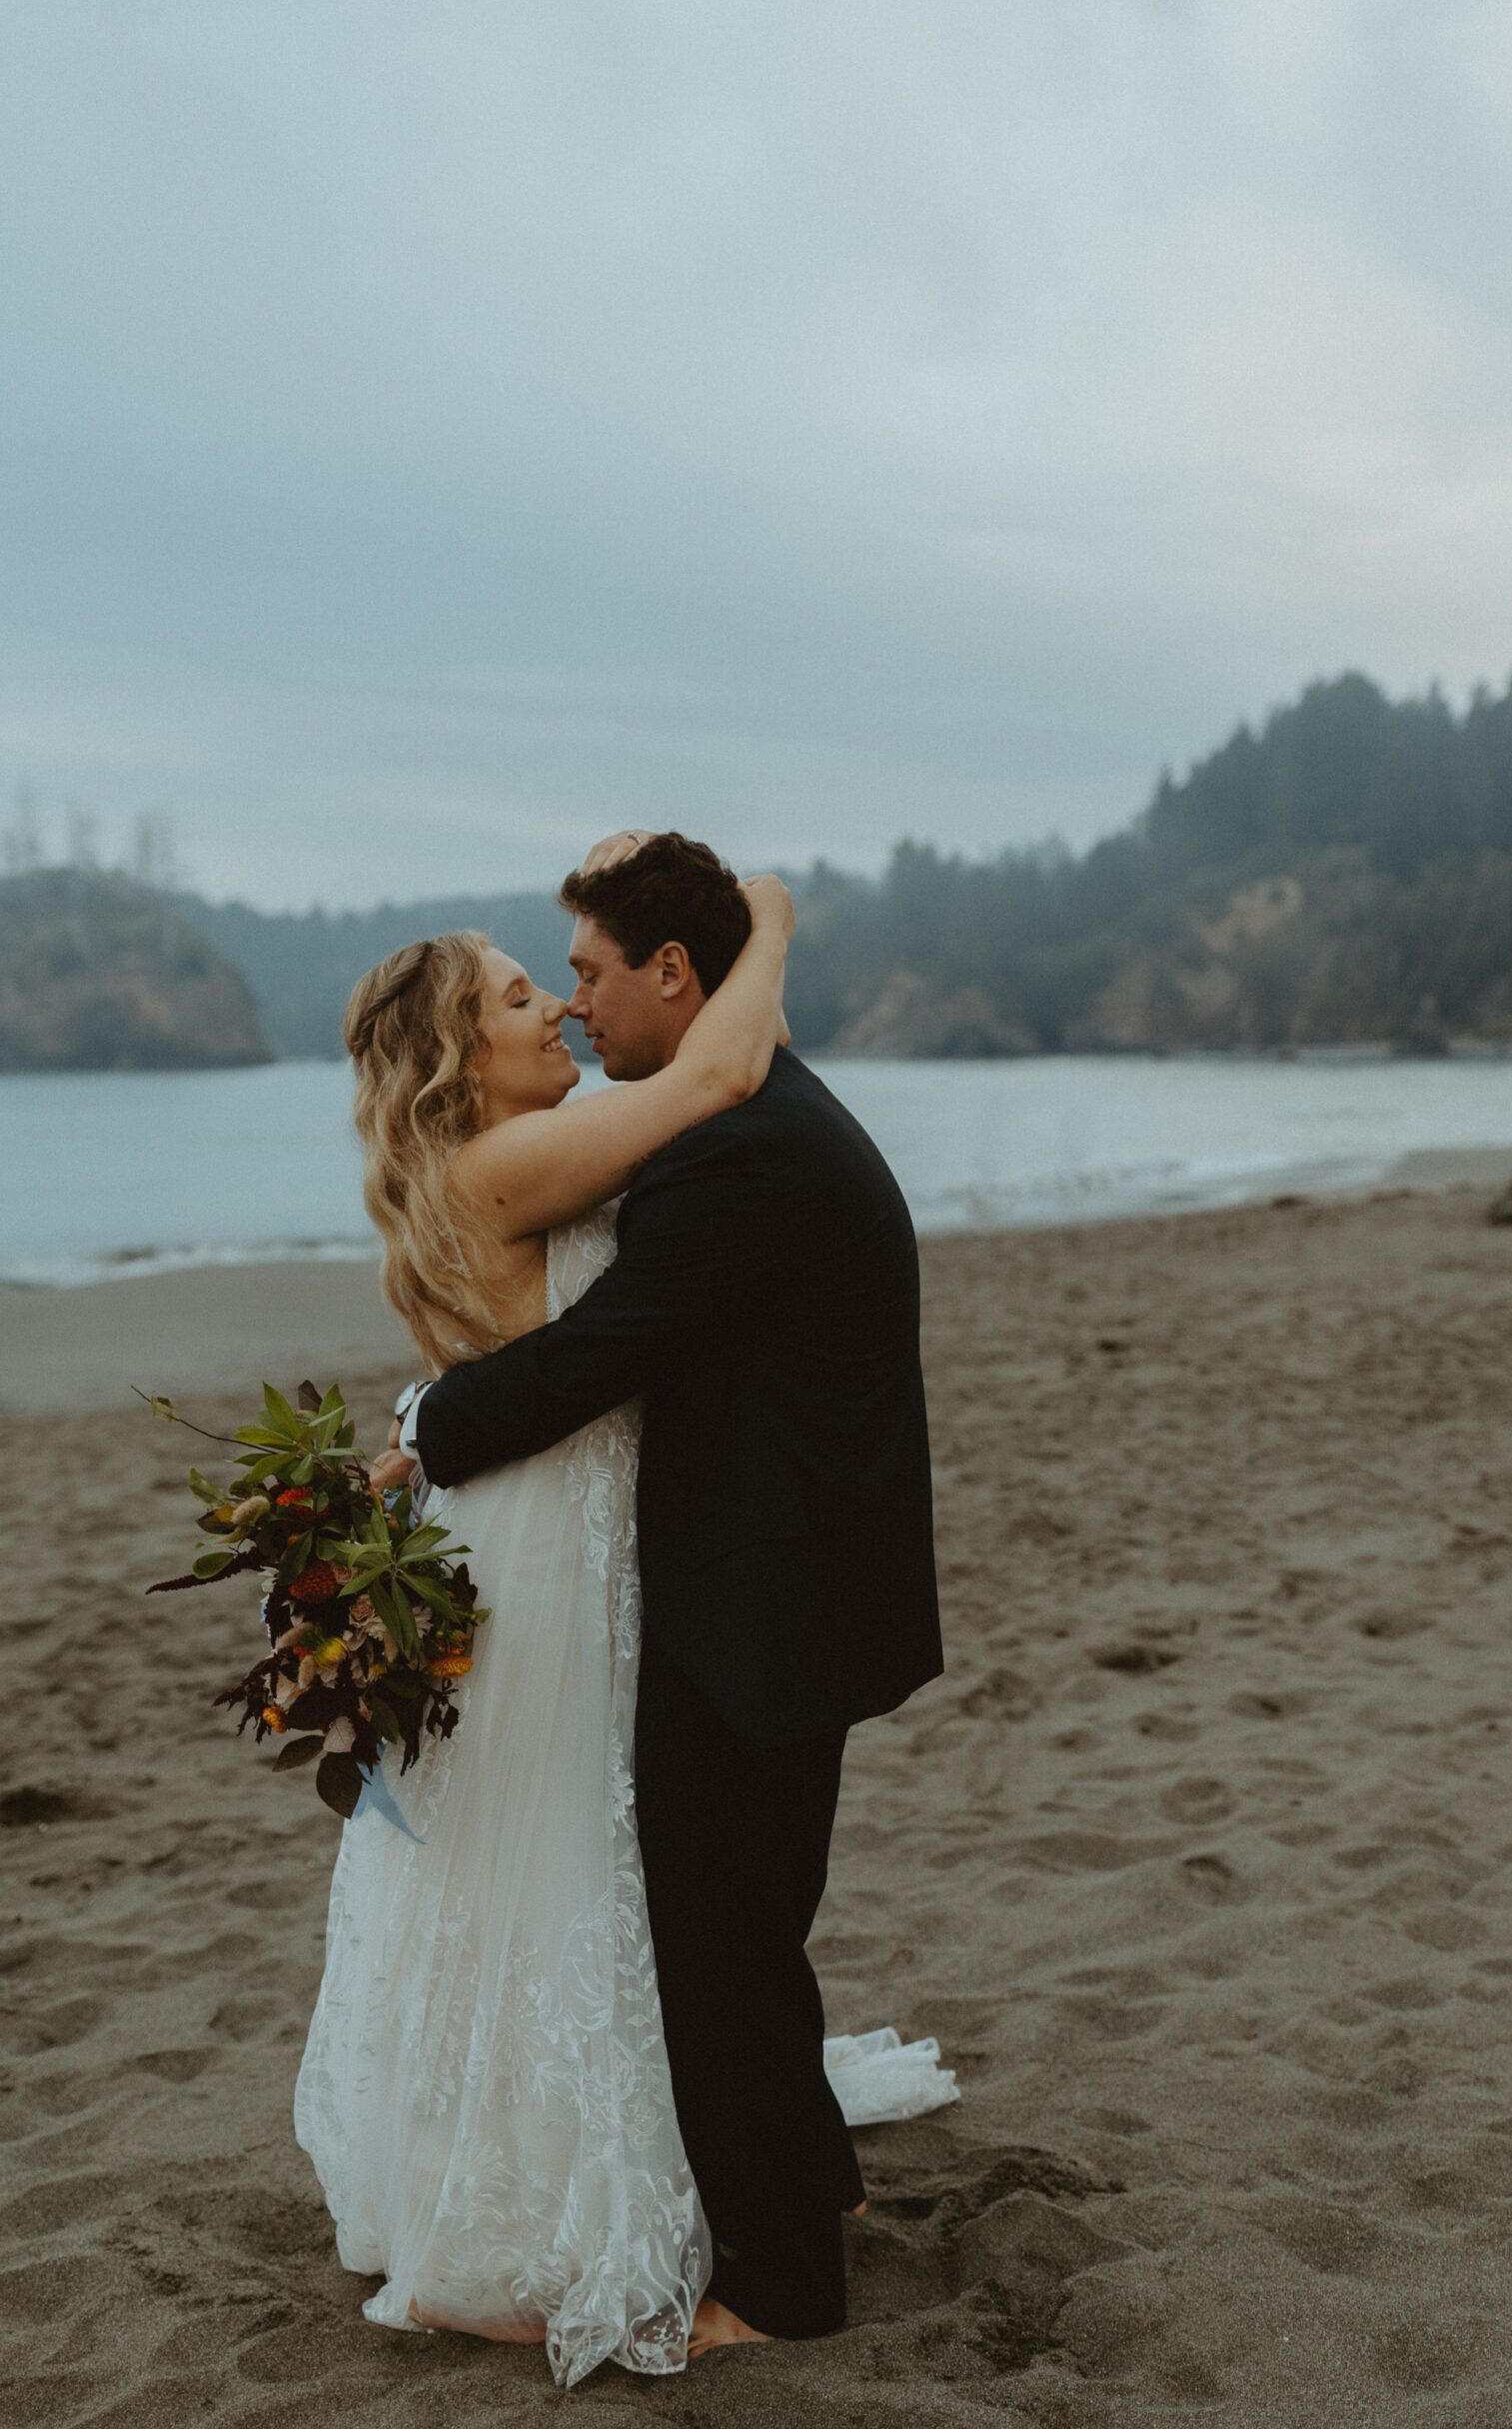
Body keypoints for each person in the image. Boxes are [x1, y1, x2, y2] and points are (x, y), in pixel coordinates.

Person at [297, 835, 950, 2388]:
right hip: (585, 1542)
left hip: (684, 1562)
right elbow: (714, 1080)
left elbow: (630, 1301)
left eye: (574, 974)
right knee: (651, 1897)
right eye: (531, 992)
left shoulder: (694, 1131)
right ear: (461, 1052)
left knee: (688, 1910)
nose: (566, 1007)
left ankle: (784, 2235)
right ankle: (760, 2200)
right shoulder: (615, 1136)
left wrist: (762, 919)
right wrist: (771, 917)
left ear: (670, 974)